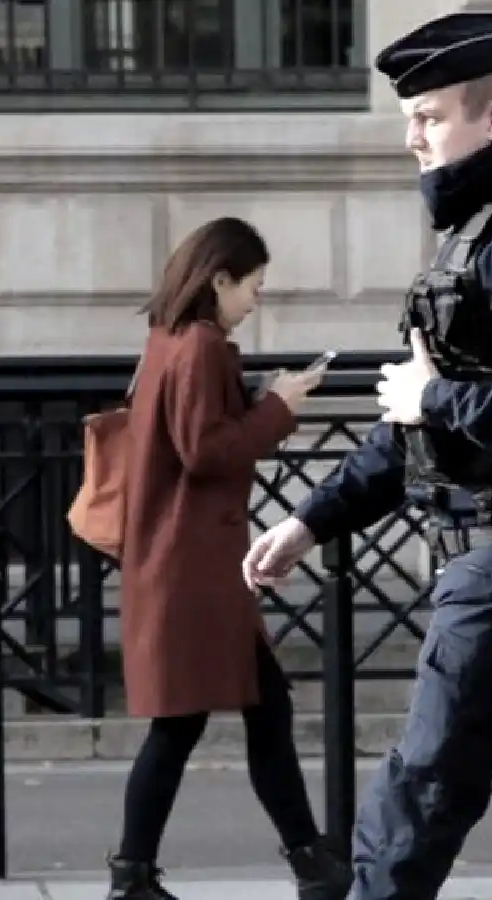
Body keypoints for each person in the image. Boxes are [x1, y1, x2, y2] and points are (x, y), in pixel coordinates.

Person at [241, 12, 492, 900]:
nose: (411, 139)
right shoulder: (480, 237)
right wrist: (311, 521)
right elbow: (416, 427)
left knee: (420, 792)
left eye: (429, 116)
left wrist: (434, 397)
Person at [110, 216, 350, 900]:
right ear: (219, 280)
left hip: (185, 564)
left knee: (245, 712)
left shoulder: (170, 340)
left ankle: (307, 861)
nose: (257, 299)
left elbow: (194, 434)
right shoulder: (204, 346)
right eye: (254, 285)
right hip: (194, 569)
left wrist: (259, 400)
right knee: (193, 722)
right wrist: (277, 406)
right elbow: (206, 451)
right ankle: (141, 874)